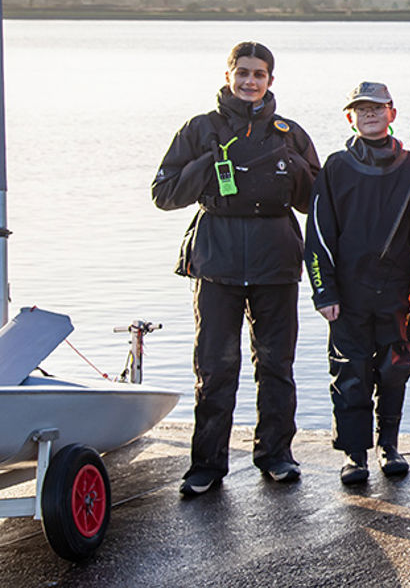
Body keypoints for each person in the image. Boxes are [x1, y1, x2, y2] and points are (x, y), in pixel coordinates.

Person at [152, 41, 319, 497]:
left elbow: (316, 203)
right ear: (228, 75)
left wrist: (294, 168)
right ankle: (206, 465)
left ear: (270, 80)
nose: (250, 81)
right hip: (216, 262)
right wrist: (211, 163)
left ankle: (276, 455)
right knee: (215, 367)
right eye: (242, 72)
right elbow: (163, 194)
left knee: (277, 365)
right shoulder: (200, 128)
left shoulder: (290, 133)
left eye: (258, 74)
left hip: (276, 262)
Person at [305, 82, 410, 484]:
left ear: (392, 114)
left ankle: (389, 446)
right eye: (361, 109)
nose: (370, 114)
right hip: (347, 294)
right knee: (350, 372)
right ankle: (354, 454)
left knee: (394, 369)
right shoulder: (335, 168)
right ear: (350, 117)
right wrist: (323, 290)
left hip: (398, 291)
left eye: (377, 107)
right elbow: (318, 235)